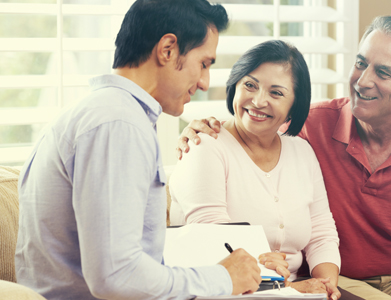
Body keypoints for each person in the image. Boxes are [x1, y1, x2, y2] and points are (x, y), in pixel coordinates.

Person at [176, 16, 391, 300]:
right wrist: (201, 129)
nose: (362, 81)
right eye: (361, 63)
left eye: (383, 72)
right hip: (345, 277)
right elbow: (253, 124)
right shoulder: (311, 126)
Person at [14, 0, 262, 299]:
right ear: (168, 49)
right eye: (204, 64)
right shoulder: (118, 123)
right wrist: (222, 278)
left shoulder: (101, 113)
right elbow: (116, 276)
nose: (205, 82)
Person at [168, 40, 342, 299]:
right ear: (234, 86)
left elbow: (321, 233)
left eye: (276, 93)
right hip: (224, 291)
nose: (258, 101)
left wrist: (326, 285)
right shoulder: (205, 145)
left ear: (295, 105)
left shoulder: (302, 151)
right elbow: (216, 245)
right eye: (250, 85)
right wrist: (287, 288)